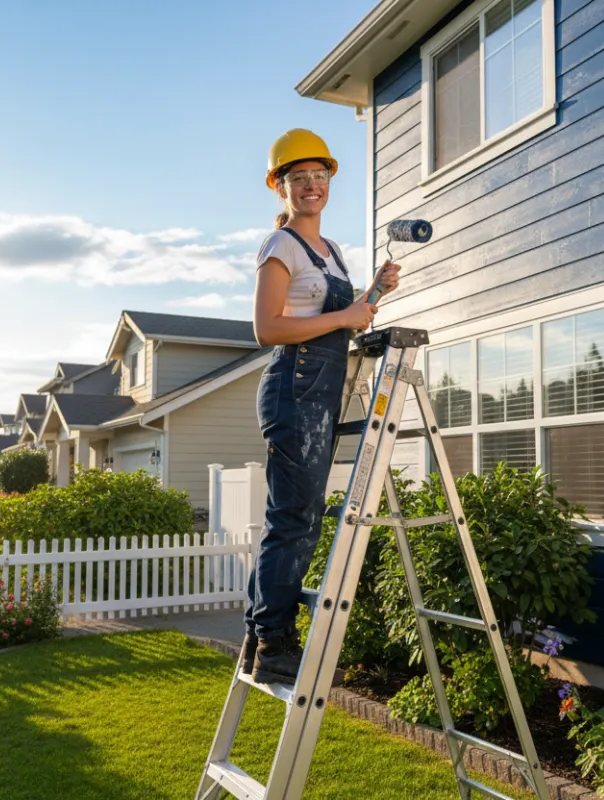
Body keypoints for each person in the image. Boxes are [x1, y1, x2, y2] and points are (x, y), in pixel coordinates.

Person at [243, 128, 400, 685]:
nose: (311, 186)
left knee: (295, 518)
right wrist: (344, 317)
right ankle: (273, 644)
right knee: (293, 520)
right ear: (279, 187)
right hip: (294, 386)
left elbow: (345, 316)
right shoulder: (280, 246)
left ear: (329, 180)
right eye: (298, 178)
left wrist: (373, 294)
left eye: (320, 176)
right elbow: (268, 328)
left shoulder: (330, 252)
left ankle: (260, 633)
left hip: (321, 392)